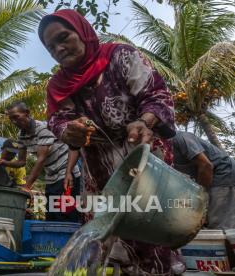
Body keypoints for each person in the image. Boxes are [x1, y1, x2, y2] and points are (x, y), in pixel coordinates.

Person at [38, 10, 177, 275]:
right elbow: (58, 121)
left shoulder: (120, 56)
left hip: (144, 161)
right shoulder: (58, 84)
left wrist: (145, 122)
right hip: (100, 171)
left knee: (151, 236)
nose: (58, 48)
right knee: (104, 245)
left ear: (83, 32)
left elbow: (156, 94)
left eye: (64, 37)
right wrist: (70, 131)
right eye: (50, 46)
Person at [4, 101, 82, 222]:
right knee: (51, 216)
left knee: (65, 216)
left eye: (16, 117)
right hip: (51, 178)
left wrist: (27, 186)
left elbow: (41, 159)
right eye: (11, 119)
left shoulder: (43, 129)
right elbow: (21, 162)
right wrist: (3, 162)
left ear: (27, 113)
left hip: (66, 175)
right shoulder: (21, 135)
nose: (14, 122)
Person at [172, 131, 235, 230]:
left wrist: (201, 197)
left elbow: (206, 165)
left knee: (220, 226)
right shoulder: (162, 154)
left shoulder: (181, 138)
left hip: (223, 172)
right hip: (209, 177)